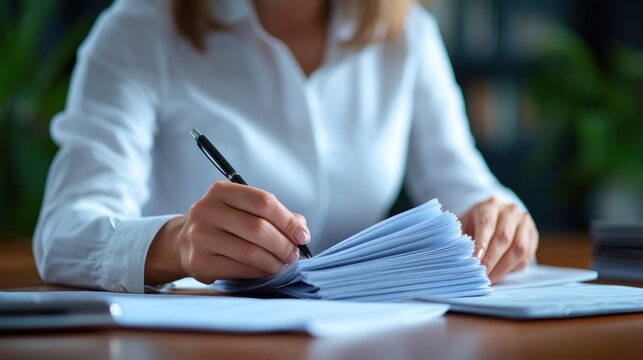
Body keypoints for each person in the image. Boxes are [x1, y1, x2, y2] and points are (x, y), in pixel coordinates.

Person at [33, 0, 538, 293]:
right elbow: (63, 231)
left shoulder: (408, 35)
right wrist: (178, 242)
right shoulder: (137, 30)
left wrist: (503, 220)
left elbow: (469, 186)